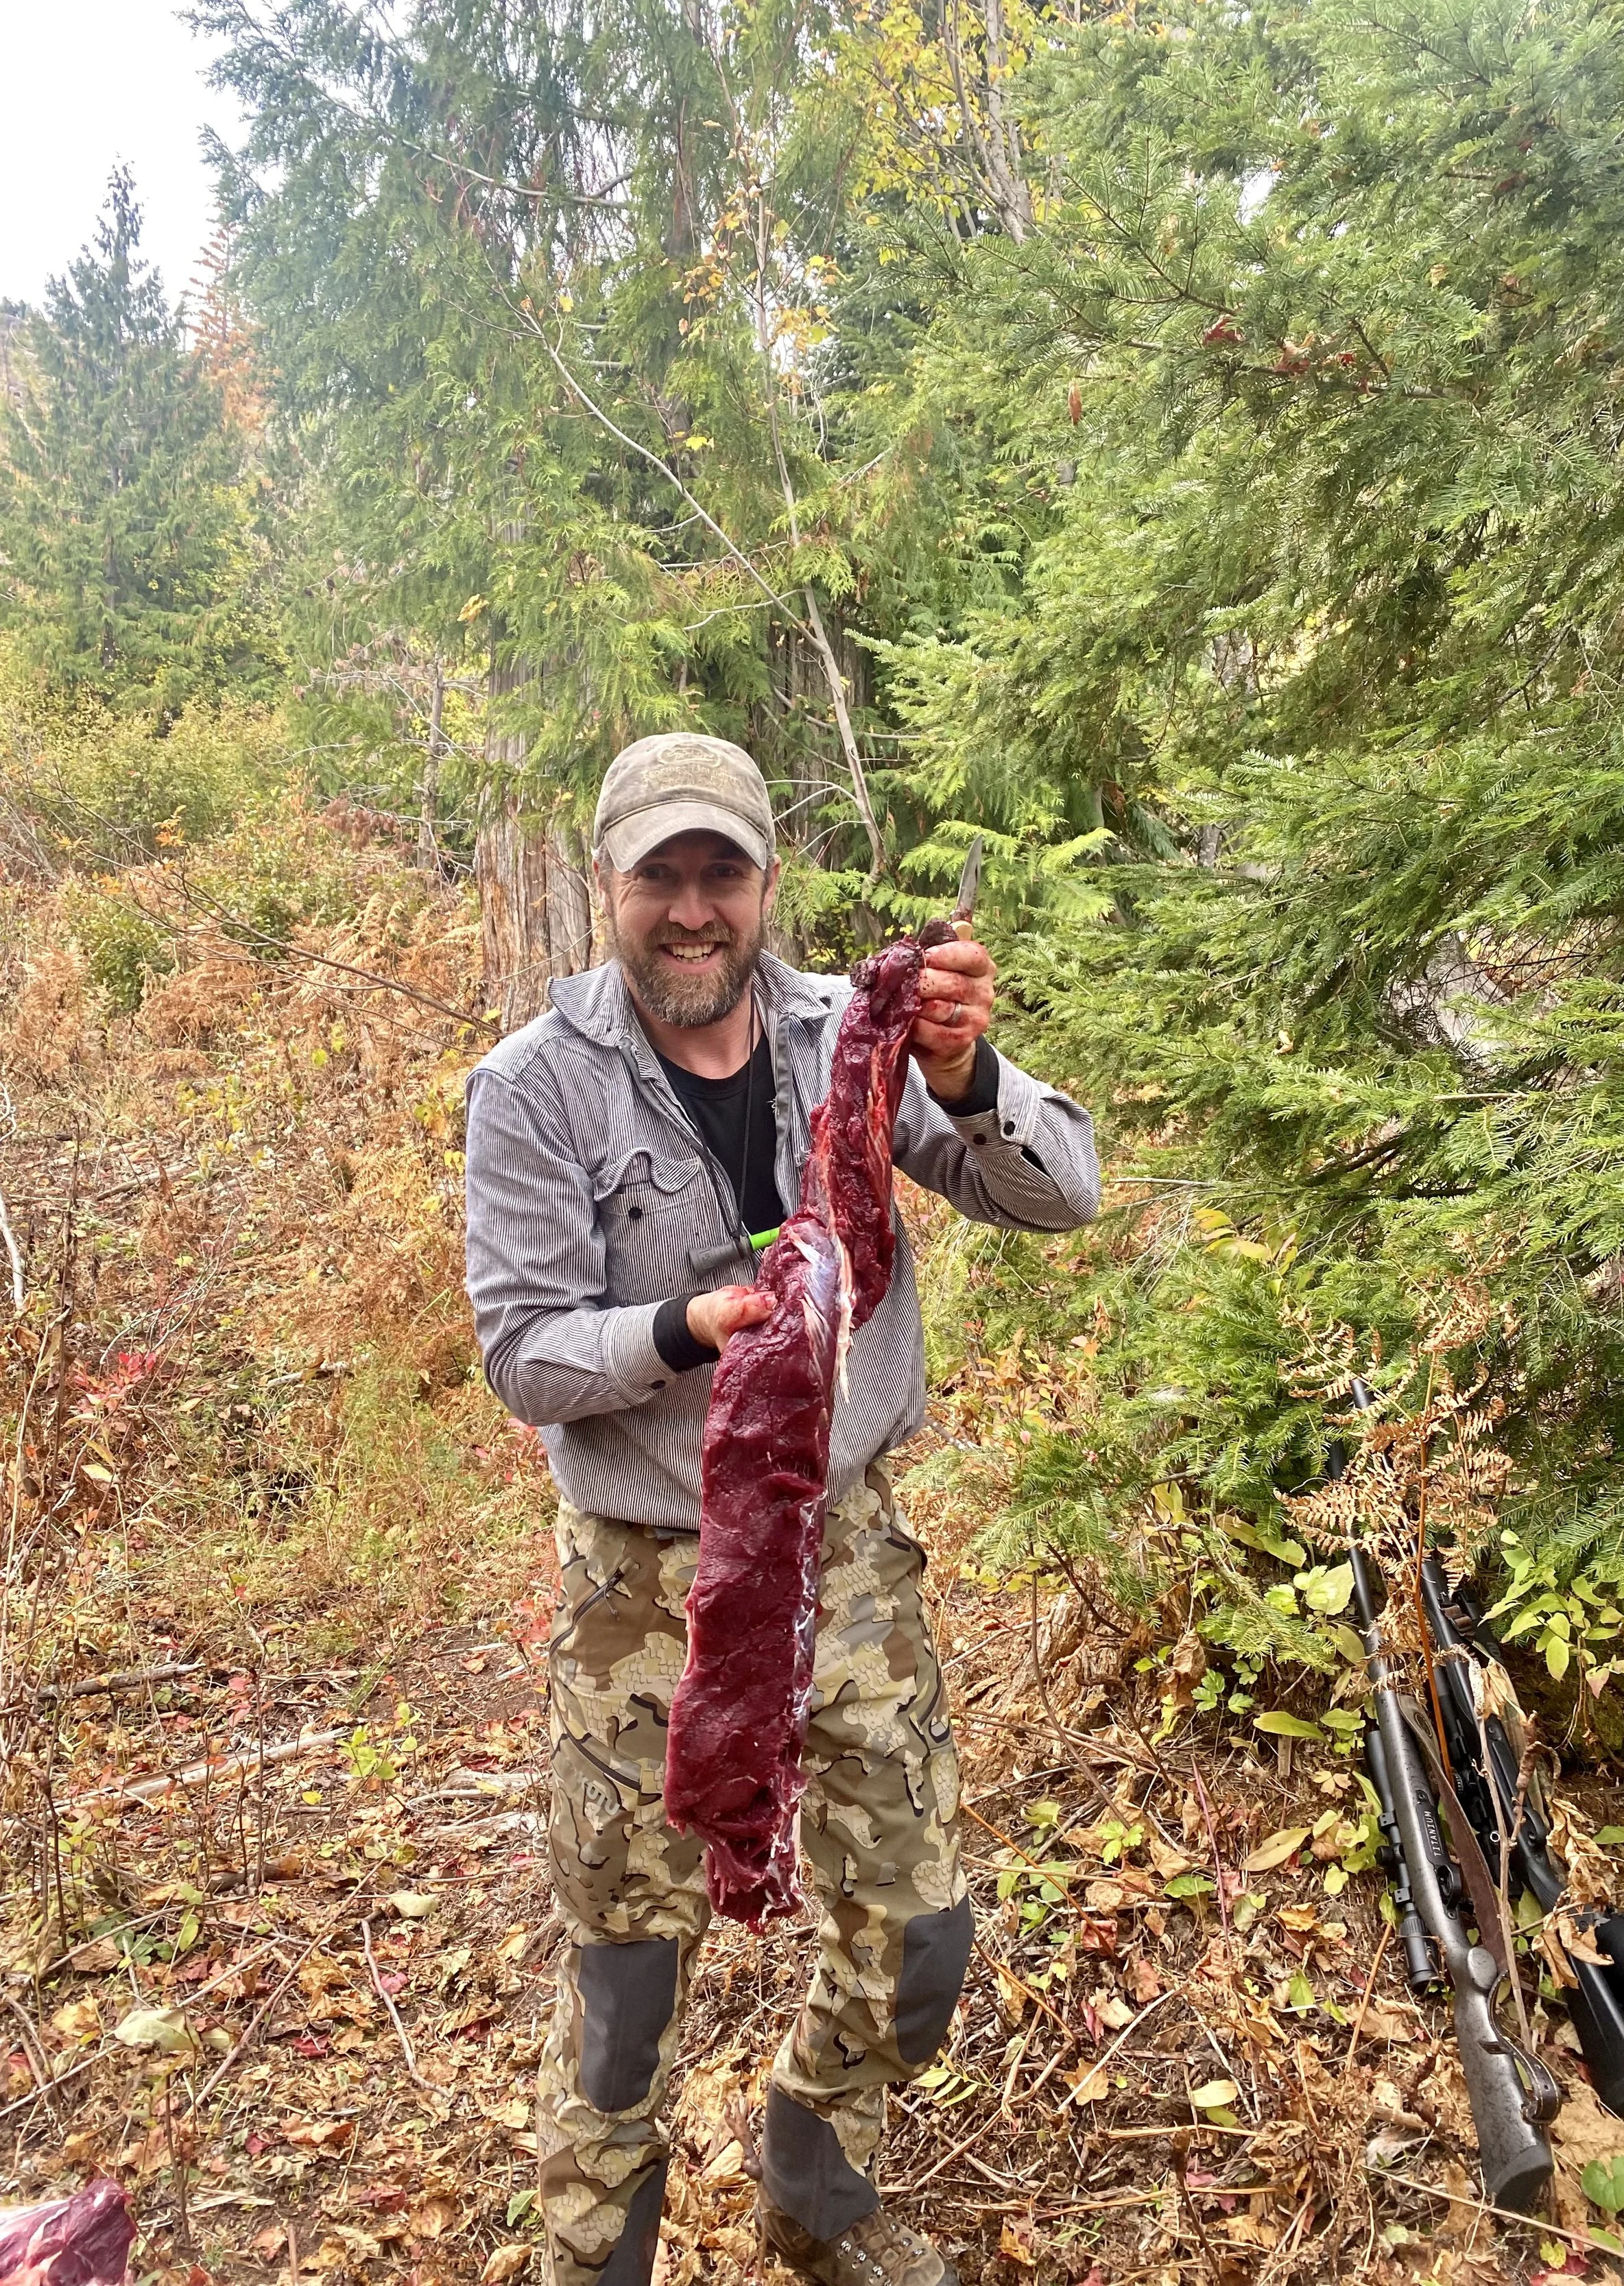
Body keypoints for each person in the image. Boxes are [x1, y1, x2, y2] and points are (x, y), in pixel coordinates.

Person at [463, 735, 1101, 2286]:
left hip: (851, 1552)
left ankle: (813, 2187)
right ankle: (594, 2262)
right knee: (624, 1986)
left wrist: (963, 1078)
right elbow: (522, 1351)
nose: (692, 910)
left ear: (763, 881)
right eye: (658, 875)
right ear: (606, 882)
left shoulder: (855, 1039)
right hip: (647, 1595)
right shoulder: (534, 1088)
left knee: (918, 1940)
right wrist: (683, 1334)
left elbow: (1061, 1192)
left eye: (720, 873)